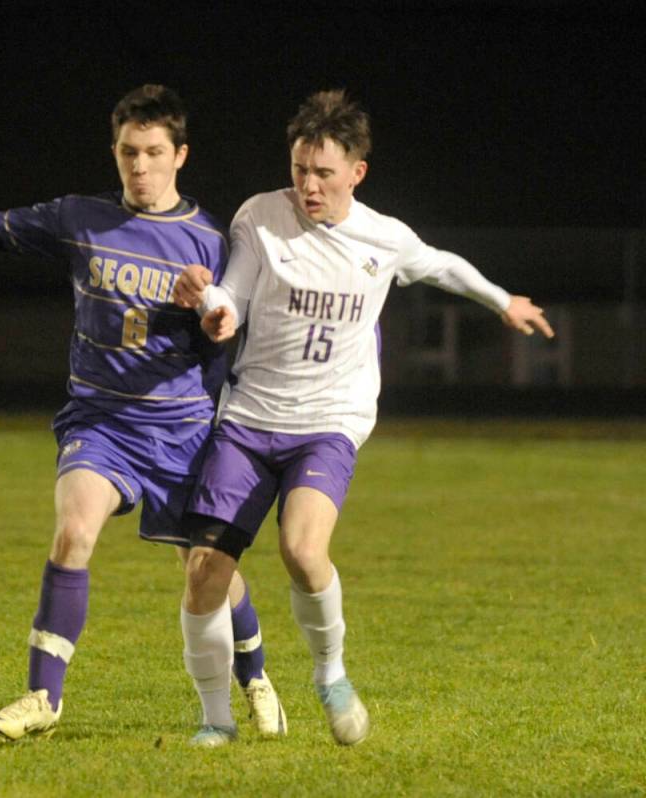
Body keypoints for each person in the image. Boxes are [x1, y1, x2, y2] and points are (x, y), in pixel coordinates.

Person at [0, 84, 287, 741]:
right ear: (115, 151)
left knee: (208, 572)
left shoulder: (210, 240)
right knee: (73, 533)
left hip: (182, 433)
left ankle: (258, 680)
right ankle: (44, 696)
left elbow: (231, 334)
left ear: (179, 155)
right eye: (129, 152)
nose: (140, 166)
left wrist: (211, 319)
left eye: (154, 152)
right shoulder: (80, 218)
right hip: (98, 424)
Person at [172, 89, 555, 747]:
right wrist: (213, 307)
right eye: (299, 169)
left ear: (357, 172)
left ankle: (330, 672)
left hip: (330, 418)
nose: (309, 185)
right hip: (251, 415)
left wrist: (501, 301)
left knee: (302, 548)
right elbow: (231, 295)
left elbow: (440, 266)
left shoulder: (383, 237)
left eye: (323, 172)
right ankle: (216, 719)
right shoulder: (261, 217)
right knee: (205, 568)